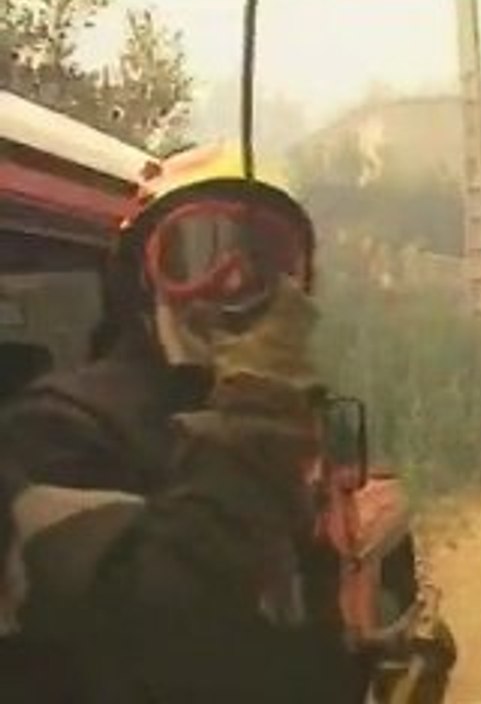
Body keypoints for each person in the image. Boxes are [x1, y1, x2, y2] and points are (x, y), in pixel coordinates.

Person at [0, 144, 372, 704]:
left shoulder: (274, 421)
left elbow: (295, 623)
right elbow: (159, 637)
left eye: (266, 258)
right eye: (197, 254)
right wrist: (249, 433)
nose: (231, 282)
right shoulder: (56, 425)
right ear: (145, 282)